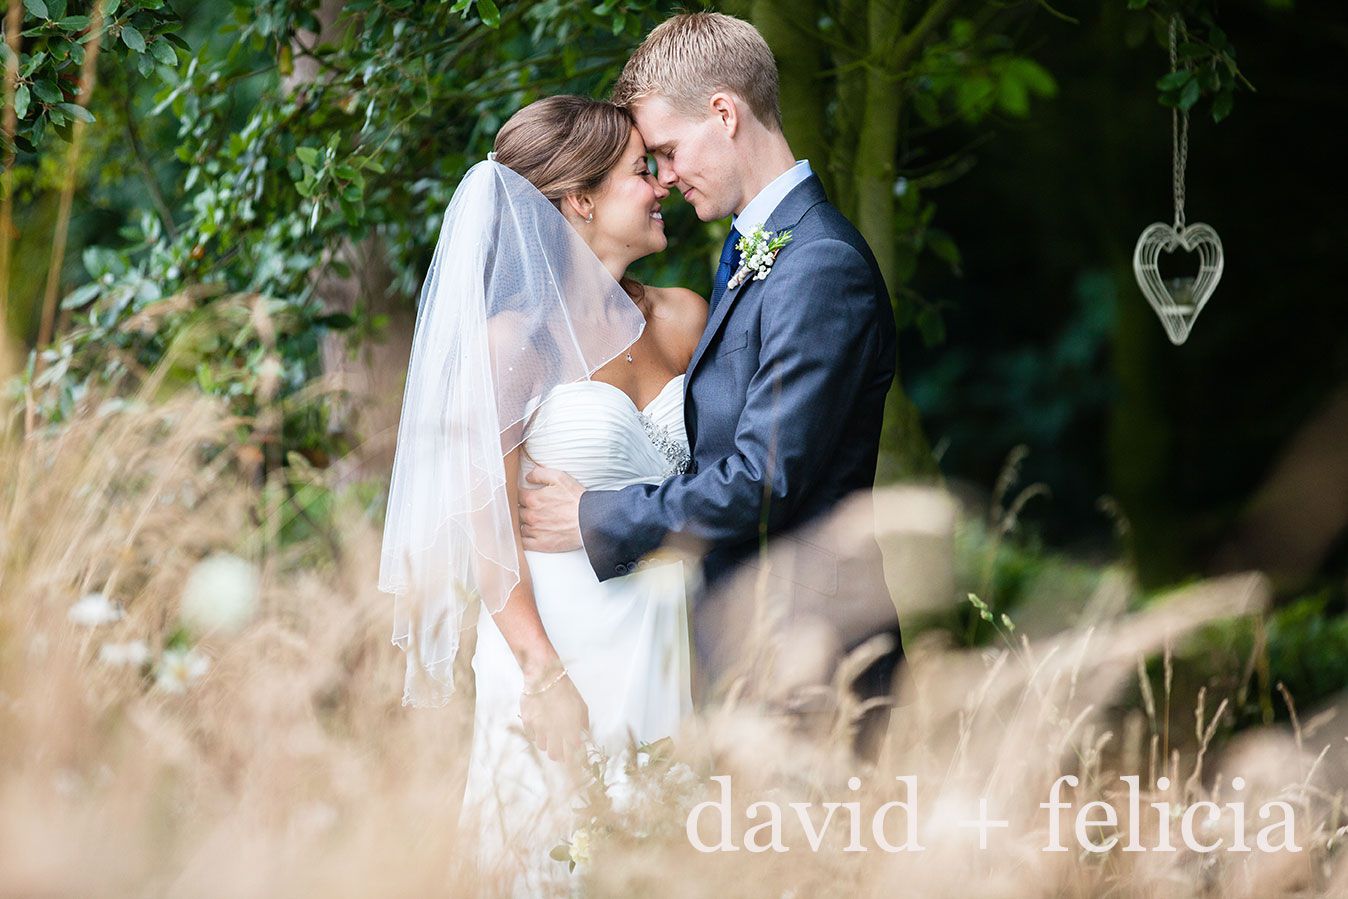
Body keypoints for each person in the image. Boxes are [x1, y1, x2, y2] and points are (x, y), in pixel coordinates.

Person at [519, 12, 905, 760]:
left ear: (724, 113)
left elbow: (763, 476)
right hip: (734, 656)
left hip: (815, 660)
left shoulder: (819, 265)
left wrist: (597, 515)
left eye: (666, 149)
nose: (663, 176)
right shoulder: (753, 254)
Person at [378, 95, 705, 895]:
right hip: (558, 648)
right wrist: (541, 672)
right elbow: (484, 525)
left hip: (673, 633)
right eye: (641, 170)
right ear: (579, 201)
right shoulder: (513, 345)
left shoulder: (685, 320)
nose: (662, 183)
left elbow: (730, 481)